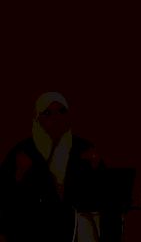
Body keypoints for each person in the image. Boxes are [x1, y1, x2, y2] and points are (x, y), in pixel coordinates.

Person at [0, 93, 105, 242]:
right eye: (48, 113)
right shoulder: (24, 150)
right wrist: (20, 173)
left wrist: (95, 166)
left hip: (74, 228)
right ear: (38, 118)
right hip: (33, 228)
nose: (56, 117)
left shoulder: (83, 148)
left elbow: (101, 192)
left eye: (62, 111)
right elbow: (6, 196)